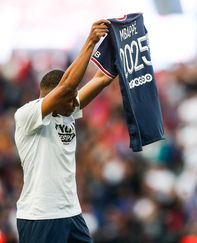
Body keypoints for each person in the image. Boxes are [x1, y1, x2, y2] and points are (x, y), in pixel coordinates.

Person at [13, 19, 115, 243]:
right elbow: (67, 86)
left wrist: (119, 44)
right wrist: (90, 41)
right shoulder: (27, 115)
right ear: (54, 96)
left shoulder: (66, 110)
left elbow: (103, 78)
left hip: (71, 213)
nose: (75, 103)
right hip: (40, 217)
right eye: (69, 99)